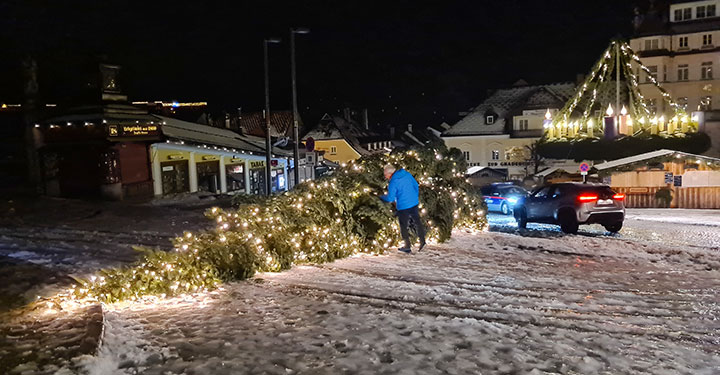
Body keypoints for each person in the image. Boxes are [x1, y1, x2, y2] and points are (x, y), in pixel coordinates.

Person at [380, 164, 426, 254]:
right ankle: (422, 240)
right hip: (413, 202)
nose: (385, 177)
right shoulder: (407, 174)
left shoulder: (393, 182)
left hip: (403, 206)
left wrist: (380, 197)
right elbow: (416, 185)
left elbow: (390, 198)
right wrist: (414, 196)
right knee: (417, 221)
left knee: (403, 225)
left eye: (385, 175)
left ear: (389, 174)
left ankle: (407, 246)